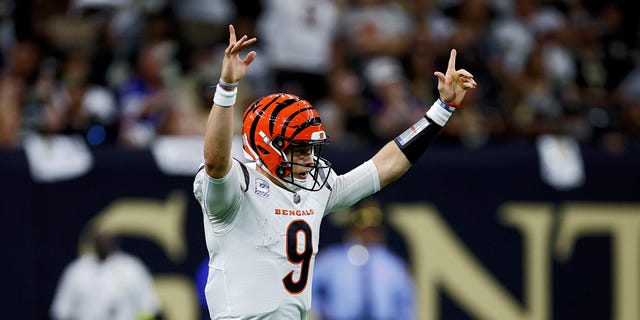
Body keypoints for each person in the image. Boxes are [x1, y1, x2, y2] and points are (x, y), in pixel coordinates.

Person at [192, 24, 477, 319]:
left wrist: (442, 109)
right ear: (268, 145)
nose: (308, 159)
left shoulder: (313, 190)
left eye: (310, 149)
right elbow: (215, 162)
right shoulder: (237, 188)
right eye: (299, 149)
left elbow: (385, 166)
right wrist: (226, 89)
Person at [312, 199, 415, 320]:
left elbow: (406, 302)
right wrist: (318, 313)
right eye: (361, 229)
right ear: (351, 229)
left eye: (372, 230)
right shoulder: (331, 259)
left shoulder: (393, 263)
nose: (366, 235)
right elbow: (310, 291)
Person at [50, 230, 162, 320]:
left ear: (115, 241)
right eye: (100, 238)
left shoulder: (132, 268)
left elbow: (148, 307)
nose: (103, 242)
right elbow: (61, 311)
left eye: (107, 238)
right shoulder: (77, 270)